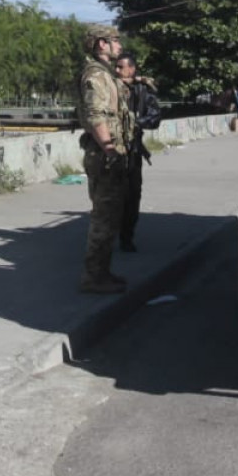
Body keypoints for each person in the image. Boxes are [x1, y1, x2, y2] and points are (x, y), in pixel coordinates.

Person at [76, 24, 135, 294]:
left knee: (110, 218)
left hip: (109, 154)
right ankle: (93, 278)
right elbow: (95, 115)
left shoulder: (106, 75)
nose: (119, 46)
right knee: (103, 218)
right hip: (104, 156)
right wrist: (110, 150)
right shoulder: (97, 77)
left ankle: (102, 273)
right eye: (115, 41)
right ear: (102, 44)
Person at [115, 52, 162, 253]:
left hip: (132, 152)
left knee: (132, 197)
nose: (117, 71)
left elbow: (155, 118)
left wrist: (134, 124)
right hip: (111, 150)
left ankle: (126, 237)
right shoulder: (109, 88)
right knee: (110, 198)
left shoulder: (143, 90)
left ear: (132, 69)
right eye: (115, 67)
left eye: (121, 67)